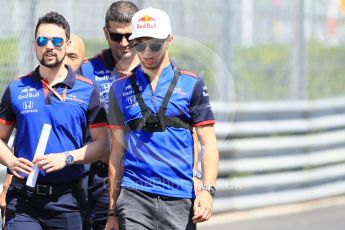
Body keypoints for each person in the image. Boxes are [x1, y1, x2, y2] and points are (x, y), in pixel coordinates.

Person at [106, 7, 219, 230]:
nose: (147, 53)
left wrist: (207, 191)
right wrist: (112, 211)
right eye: (140, 45)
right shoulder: (118, 88)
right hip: (134, 197)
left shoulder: (191, 83)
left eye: (155, 45)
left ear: (169, 41)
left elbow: (209, 144)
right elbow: (116, 154)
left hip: (180, 199)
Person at [0, 11, 110, 229]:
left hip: (68, 200)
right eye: (42, 40)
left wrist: (67, 158)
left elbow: (103, 145)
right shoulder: (16, 88)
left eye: (57, 40)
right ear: (35, 45)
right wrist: (11, 162)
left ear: (67, 45)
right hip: (24, 199)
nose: (49, 46)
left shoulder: (87, 89)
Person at [79, 1, 139, 229]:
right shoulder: (87, 71)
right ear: (106, 33)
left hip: (145, 177)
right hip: (103, 178)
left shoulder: (154, 66)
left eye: (130, 36)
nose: (124, 43)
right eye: (116, 36)